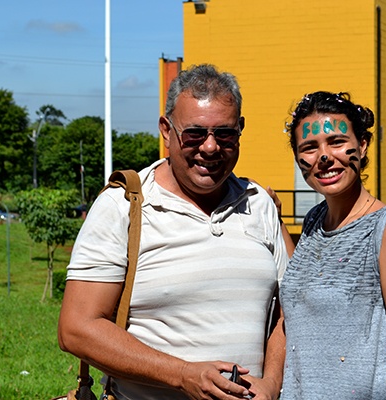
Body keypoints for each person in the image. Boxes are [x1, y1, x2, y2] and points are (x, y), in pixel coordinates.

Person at [57, 64, 288, 400]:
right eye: (194, 134)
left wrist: (271, 384)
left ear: (240, 130)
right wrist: (182, 375)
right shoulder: (123, 206)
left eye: (224, 134)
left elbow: (291, 310)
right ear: (166, 131)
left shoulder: (259, 204)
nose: (210, 148)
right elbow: (76, 329)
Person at [279, 91, 386, 399]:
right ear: (299, 158)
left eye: (336, 142)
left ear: (362, 146)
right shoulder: (314, 221)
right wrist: (275, 221)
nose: (324, 156)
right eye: (310, 147)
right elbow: (310, 288)